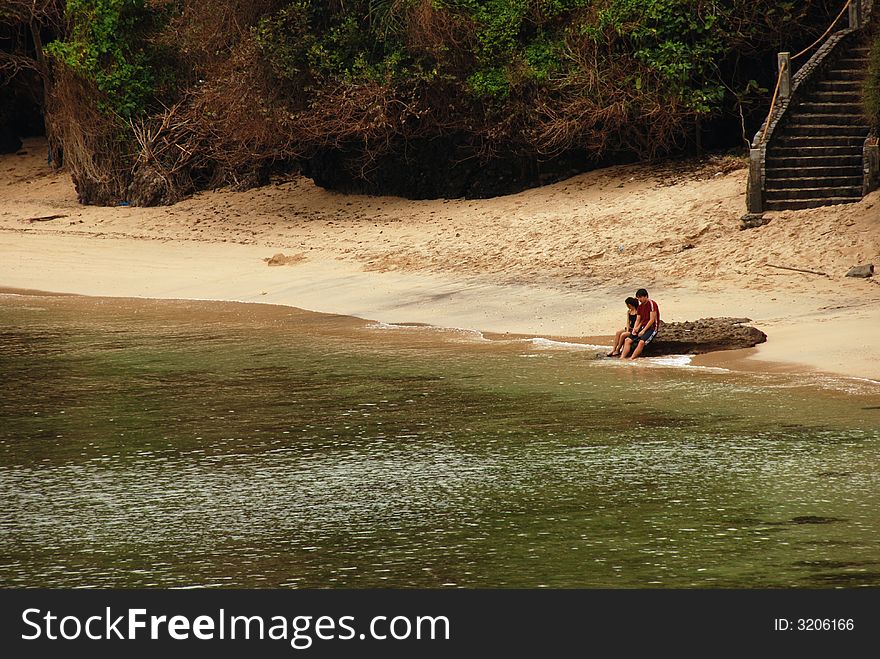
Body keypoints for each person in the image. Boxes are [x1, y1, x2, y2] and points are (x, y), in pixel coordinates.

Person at [620, 288, 660, 360]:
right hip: (642, 326)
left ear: (646, 296)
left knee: (641, 342)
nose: (639, 299)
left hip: (652, 328)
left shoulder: (651, 304)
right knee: (627, 340)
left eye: (641, 297)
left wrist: (643, 330)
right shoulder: (640, 307)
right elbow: (638, 319)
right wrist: (635, 329)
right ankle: (622, 358)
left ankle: (632, 358)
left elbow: (652, 320)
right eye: (638, 297)